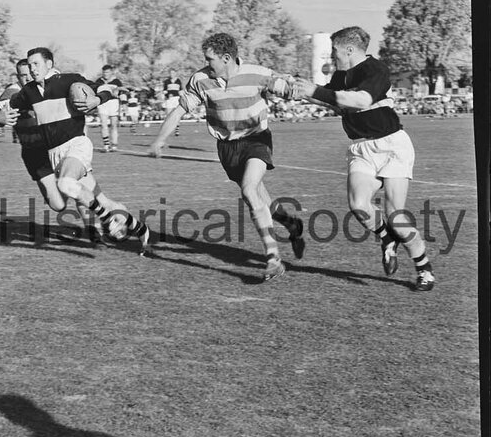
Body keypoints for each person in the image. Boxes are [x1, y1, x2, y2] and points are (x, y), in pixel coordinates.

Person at [148, 33, 305, 281]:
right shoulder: (200, 79)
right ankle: (290, 223)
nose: (206, 63)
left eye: (210, 59)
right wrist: (160, 140)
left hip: (256, 139)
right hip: (227, 149)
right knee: (259, 198)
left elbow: (290, 90)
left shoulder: (257, 74)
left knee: (249, 190)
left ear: (226, 58)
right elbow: (178, 111)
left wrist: (296, 86)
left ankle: (273, 258)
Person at [290, 26, 433, 291]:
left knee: (396, 215)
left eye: (334, 51)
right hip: (360, 148)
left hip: (391, 145)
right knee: (358, 205)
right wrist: (298, 91)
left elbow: (360, 99)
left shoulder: (375, 70)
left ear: (349, 49)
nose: (332, 56)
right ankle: (386, 237)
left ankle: (423, 267)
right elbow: (333, 100)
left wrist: (315, 92)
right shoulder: (341, 74)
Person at [0, 47, 152, 250]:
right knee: (94, 196)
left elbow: (102, 89)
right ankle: (140, 229)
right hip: (53, 154)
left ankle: (104, 220)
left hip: (76, 145)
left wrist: (97, 99)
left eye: (36, 64)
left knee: (66, 183)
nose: (32, 69)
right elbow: (2, 109)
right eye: (29, 66)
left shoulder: (68, 81)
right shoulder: (28, 91)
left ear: (49, 64)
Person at [93, 64, 123, 152]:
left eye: (107, 72)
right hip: (103, 103)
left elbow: (121, 93)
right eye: (104, 72)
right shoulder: (99, 81)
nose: (105, 74)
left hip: (113, 103)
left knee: (114, 125)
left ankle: (114, 145)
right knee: (103, 124)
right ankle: (106, 144)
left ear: (111, 72)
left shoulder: (116, 81)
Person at [163, 69, 184, 137]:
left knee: (177, 114)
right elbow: (164, 91)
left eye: (173, 73)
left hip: (176, 99)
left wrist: (182, 97)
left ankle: (177, 130)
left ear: (175, 73)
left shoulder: (178, 81)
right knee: (168, 115)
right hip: (169, 99)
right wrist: (167, 95)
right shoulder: (166, 81)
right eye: (171, 73)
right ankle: (168, 130)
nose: (172, 74)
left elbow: (181, 91)